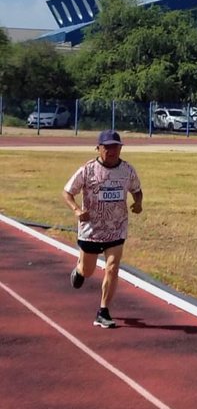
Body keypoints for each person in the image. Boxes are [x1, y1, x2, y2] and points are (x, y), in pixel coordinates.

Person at [62, 130, 143, 328]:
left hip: (116, 227)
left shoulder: (127, 170)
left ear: (121, 148)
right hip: (91, 230)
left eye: (115, 146)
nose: (111, 150)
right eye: (107, 147)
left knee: (112, 268)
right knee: (88, 271)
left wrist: (138, 203)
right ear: (98, 148)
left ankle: (103, 311)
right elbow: (67, 192)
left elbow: (137, 190)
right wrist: (77, 210)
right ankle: (80, 270)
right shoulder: (88, 170)